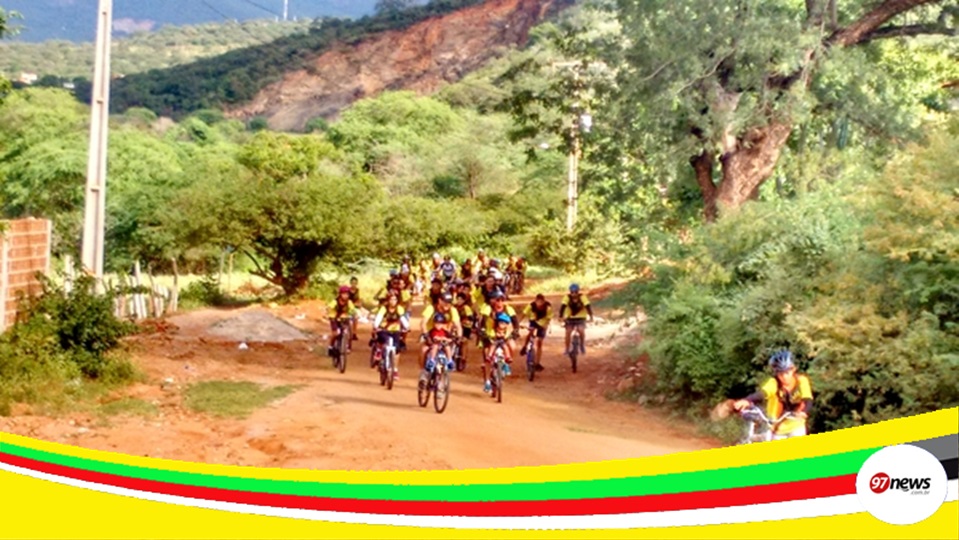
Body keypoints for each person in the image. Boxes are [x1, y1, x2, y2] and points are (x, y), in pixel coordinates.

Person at [733, 351, 813, 439]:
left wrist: (804, 411)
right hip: (777, 428)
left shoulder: (801, 381)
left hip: (796, 426)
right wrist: (747, 400)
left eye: (787, 372)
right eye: (781, 374)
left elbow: (808, 398)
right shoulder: (774, 383)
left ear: (793, 369)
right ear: (776, 373)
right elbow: (763, 393)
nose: (784, 377)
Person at [478, 290, 519, 392]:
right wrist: (482, 332)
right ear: (492, 301)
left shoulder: (508, 309)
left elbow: (515, 322)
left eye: (502, 300)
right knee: (487, 356)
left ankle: (506, 364)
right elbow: (482, 322)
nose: (500, 303)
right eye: (497, 300)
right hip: (490, 334)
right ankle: (487, 381)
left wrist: (515, 332)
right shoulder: (488, 309)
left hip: (505, 334)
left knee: (512, 346)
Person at [420, 293, 462, 374]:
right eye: (445, 302)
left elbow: (458, 326)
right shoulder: (431, 308)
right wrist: (426, 336)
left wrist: (459, 337)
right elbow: (423, 323)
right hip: (430, 333)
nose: (447, 304)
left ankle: (449, 363)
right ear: (439, 301)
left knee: (449, 349)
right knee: (424, 350)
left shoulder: (452, 310)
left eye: (449, 302)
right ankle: (424, 372)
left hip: (445, 335)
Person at [371, 293, 409, 379]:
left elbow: (403, 319)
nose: (393, 301)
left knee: (397, 350)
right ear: (388, 300)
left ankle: (395, 370)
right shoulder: (384, 308)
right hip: (384, 330)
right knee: (382, 339)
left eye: (395, 299)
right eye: (391, 299)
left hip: (396, 330)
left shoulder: (399, 309)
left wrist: (407, 327)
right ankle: (379, 351)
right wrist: (376, 326)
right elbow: (379, 317)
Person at [559, 284, 594, 358]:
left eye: (575, 292)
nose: (574, 294)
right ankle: (567, 348)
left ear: (578, 292)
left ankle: (582, 345)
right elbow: (563, 306)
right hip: (570, 317)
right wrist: (560, 316)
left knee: (581, 330)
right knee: (568, 332)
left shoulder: (582, 297)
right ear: (570, 292)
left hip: (581, 317)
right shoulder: (567, 297)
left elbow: (588, 306)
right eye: (572, 292)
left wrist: (591, 316)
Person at [521, 294, 552, 372]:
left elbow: (548, 319)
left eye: (541, 302)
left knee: (539, 342)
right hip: (533, 322)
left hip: (542, 324)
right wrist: (519, 322)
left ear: (544, 302)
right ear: (535, 301)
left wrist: (546, 326)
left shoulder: (548, 308)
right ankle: (525, 346)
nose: (539, 304)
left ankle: (537, 363)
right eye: (538, 302)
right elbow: (524, 314)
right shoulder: (531, 306)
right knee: (530, 332)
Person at [328, 286, 357, 356]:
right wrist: (329, 312)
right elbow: (329, 307)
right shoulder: (335, 301)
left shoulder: (349, 302)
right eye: (343, 294)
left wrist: (354, 315)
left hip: (344, 319)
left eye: (347, 294)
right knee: (336, 333)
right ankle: (330, 347)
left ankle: (346, 345)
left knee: (347, 332)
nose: (345, 296)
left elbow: (353, 310)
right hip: (334, 318)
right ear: (340, 294)